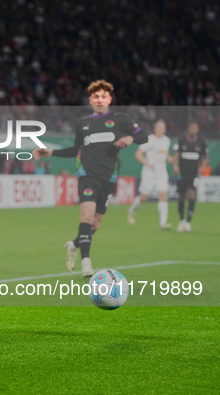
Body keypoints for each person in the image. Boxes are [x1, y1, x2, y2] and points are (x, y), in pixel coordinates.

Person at [33, 80, 147, 277]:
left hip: (108, 177)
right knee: (86, 217)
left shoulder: (120, 119)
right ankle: (87, 263)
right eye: (96, 97)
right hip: (86, 174)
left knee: (95, 224)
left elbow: (143, 136)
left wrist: (130, 138)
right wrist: (49, 152)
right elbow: (75, 150)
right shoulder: (82, 123)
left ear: (109, 99)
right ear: (90, 100)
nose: (100, 100)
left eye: (103, 97)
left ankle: (74, 245)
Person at [127, 120, 173, 229]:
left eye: (163, 127)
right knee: (144, 197)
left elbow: (166, 154)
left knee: (163, 195)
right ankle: (132, 209)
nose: (161, 129)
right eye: (159, 127)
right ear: (155, 128)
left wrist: (171, 159)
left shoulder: (167, 140)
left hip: (162, 172)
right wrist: (148, 163)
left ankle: (163, 223)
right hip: (149, 173)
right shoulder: (149, 140)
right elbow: (138, 155)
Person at [173, 122, 209, 232]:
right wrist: (175, 165)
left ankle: (188, 222)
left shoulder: (201, 142)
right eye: (192, 128)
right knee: (181, 196)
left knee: (192, 195)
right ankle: (181, 221)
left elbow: (206, 157)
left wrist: (202, 166)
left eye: (196, 128)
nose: (194, 130)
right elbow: (176, 155)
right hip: (182, 173)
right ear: (188, 129)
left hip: (194, 174)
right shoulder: (181, 140)